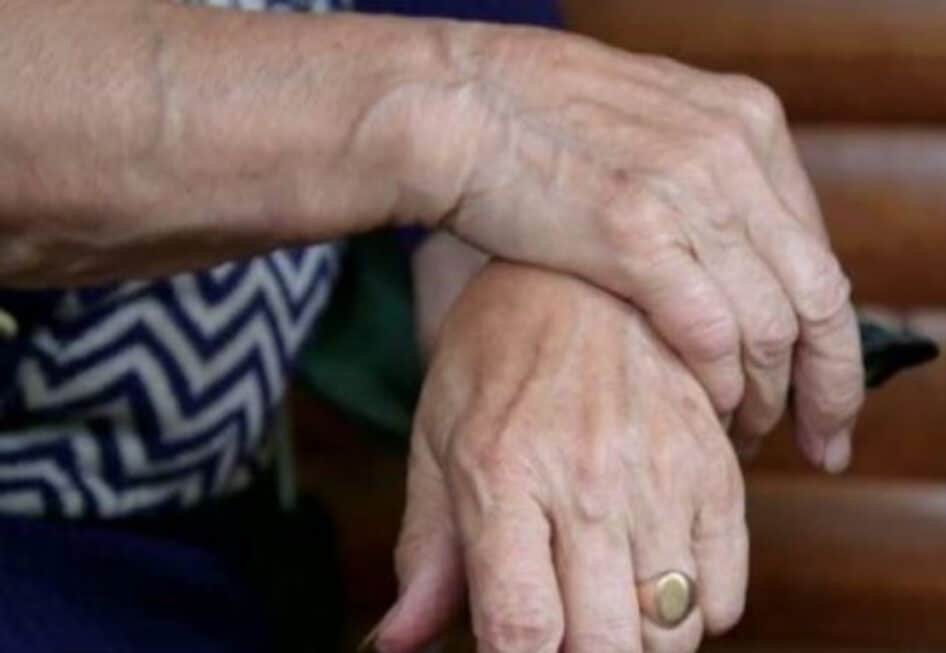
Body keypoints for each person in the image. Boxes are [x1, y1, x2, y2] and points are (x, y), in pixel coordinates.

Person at [0, 0, 865, 652]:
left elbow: (510, 107)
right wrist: (456, 110)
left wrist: (569, 283)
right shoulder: (457, 97)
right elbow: (489, 113)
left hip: (203, 561)